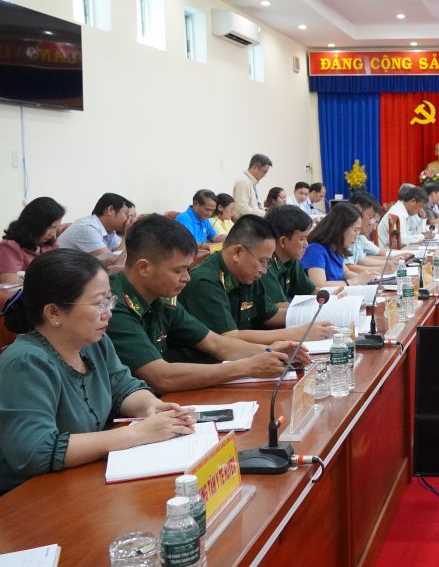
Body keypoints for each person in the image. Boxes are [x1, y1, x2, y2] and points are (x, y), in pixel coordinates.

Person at [0, 249, 195, 493]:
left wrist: (150, 406)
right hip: (32, 495)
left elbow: (124, 387)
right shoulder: (26, 362)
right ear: (54, 313)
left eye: (109, 301)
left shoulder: (94, 342)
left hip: (84, 478)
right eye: (98, 303)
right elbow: (35, 451)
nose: (108, 313)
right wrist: (138, 434)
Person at [108, 215, 301, 391]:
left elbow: (215, 343)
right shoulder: (112, 307)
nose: (187, 278)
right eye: (178, 271)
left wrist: (270, 352)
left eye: (187, 269)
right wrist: (246, 367)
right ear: (144, 268)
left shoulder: (161, 298)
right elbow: (161, 376)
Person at [178, 215, 335, 345]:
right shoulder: (205, 281)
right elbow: (228, 338)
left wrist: (322, 314)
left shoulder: (247, 275)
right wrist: (297, 333)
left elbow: (270, 315)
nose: (264, 270)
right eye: (263, 261)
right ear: (238, 252)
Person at [302, 202, 378, 287]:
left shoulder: (335, 248)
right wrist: (354, 281)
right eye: (355, 230)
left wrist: (366, 278)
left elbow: (346, 273)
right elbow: (319, 285)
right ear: (340, 228)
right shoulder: (315, 250)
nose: (357, 236)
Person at [57, 193, 135, 271]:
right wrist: (128, 233)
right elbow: (115, 264)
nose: (130, 220)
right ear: (110, 210)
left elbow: (119, 255)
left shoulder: (109, 231)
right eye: (126, 214)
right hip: (63, 274)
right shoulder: (87, 228)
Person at [0, 197, 65, 284]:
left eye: (56, 229)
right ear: (35, 224)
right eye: (51, 227)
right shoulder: (10, 247)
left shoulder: (50, 245)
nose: (53, 235)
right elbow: (11, 286)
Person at [263, 206, 317, 305]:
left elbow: (311, 291)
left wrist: (332, 297)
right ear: (283, 241)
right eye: (302, 239)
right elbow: (278, 308)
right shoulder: (264, 265)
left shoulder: (291, 259)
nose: (306, 245)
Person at [345, 192, 398, 272]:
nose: (374, 227)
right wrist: (382, 269)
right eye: (371, 218)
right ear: (358, 210)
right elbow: (348, 268)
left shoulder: (359, 236)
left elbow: (362, 260)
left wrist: (392, 260)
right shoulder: (346, 233)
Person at [233, 153, 271, 218]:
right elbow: (242, 208)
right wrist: (265, 214)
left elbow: (254, 206)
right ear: (255, 167)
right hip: (244, 223)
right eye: (264, 172)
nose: (264, 175)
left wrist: (266, 211)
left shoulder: (250, 181)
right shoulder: (243, 181)